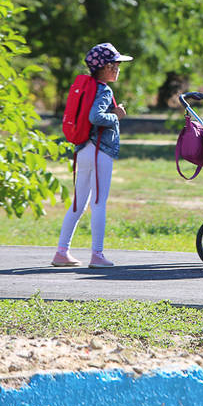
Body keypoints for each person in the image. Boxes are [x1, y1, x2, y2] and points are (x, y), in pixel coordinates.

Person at [52, 43, 132, 268]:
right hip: (100, 151)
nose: (118, 68)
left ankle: (61, 252)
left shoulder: (87, 87)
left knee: (79, 202)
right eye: (116, 64)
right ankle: (97, 255)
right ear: (107, 67)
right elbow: (95, 116)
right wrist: (116, 115)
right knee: (99, 203)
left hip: (83, 150)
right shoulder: (103, 90)